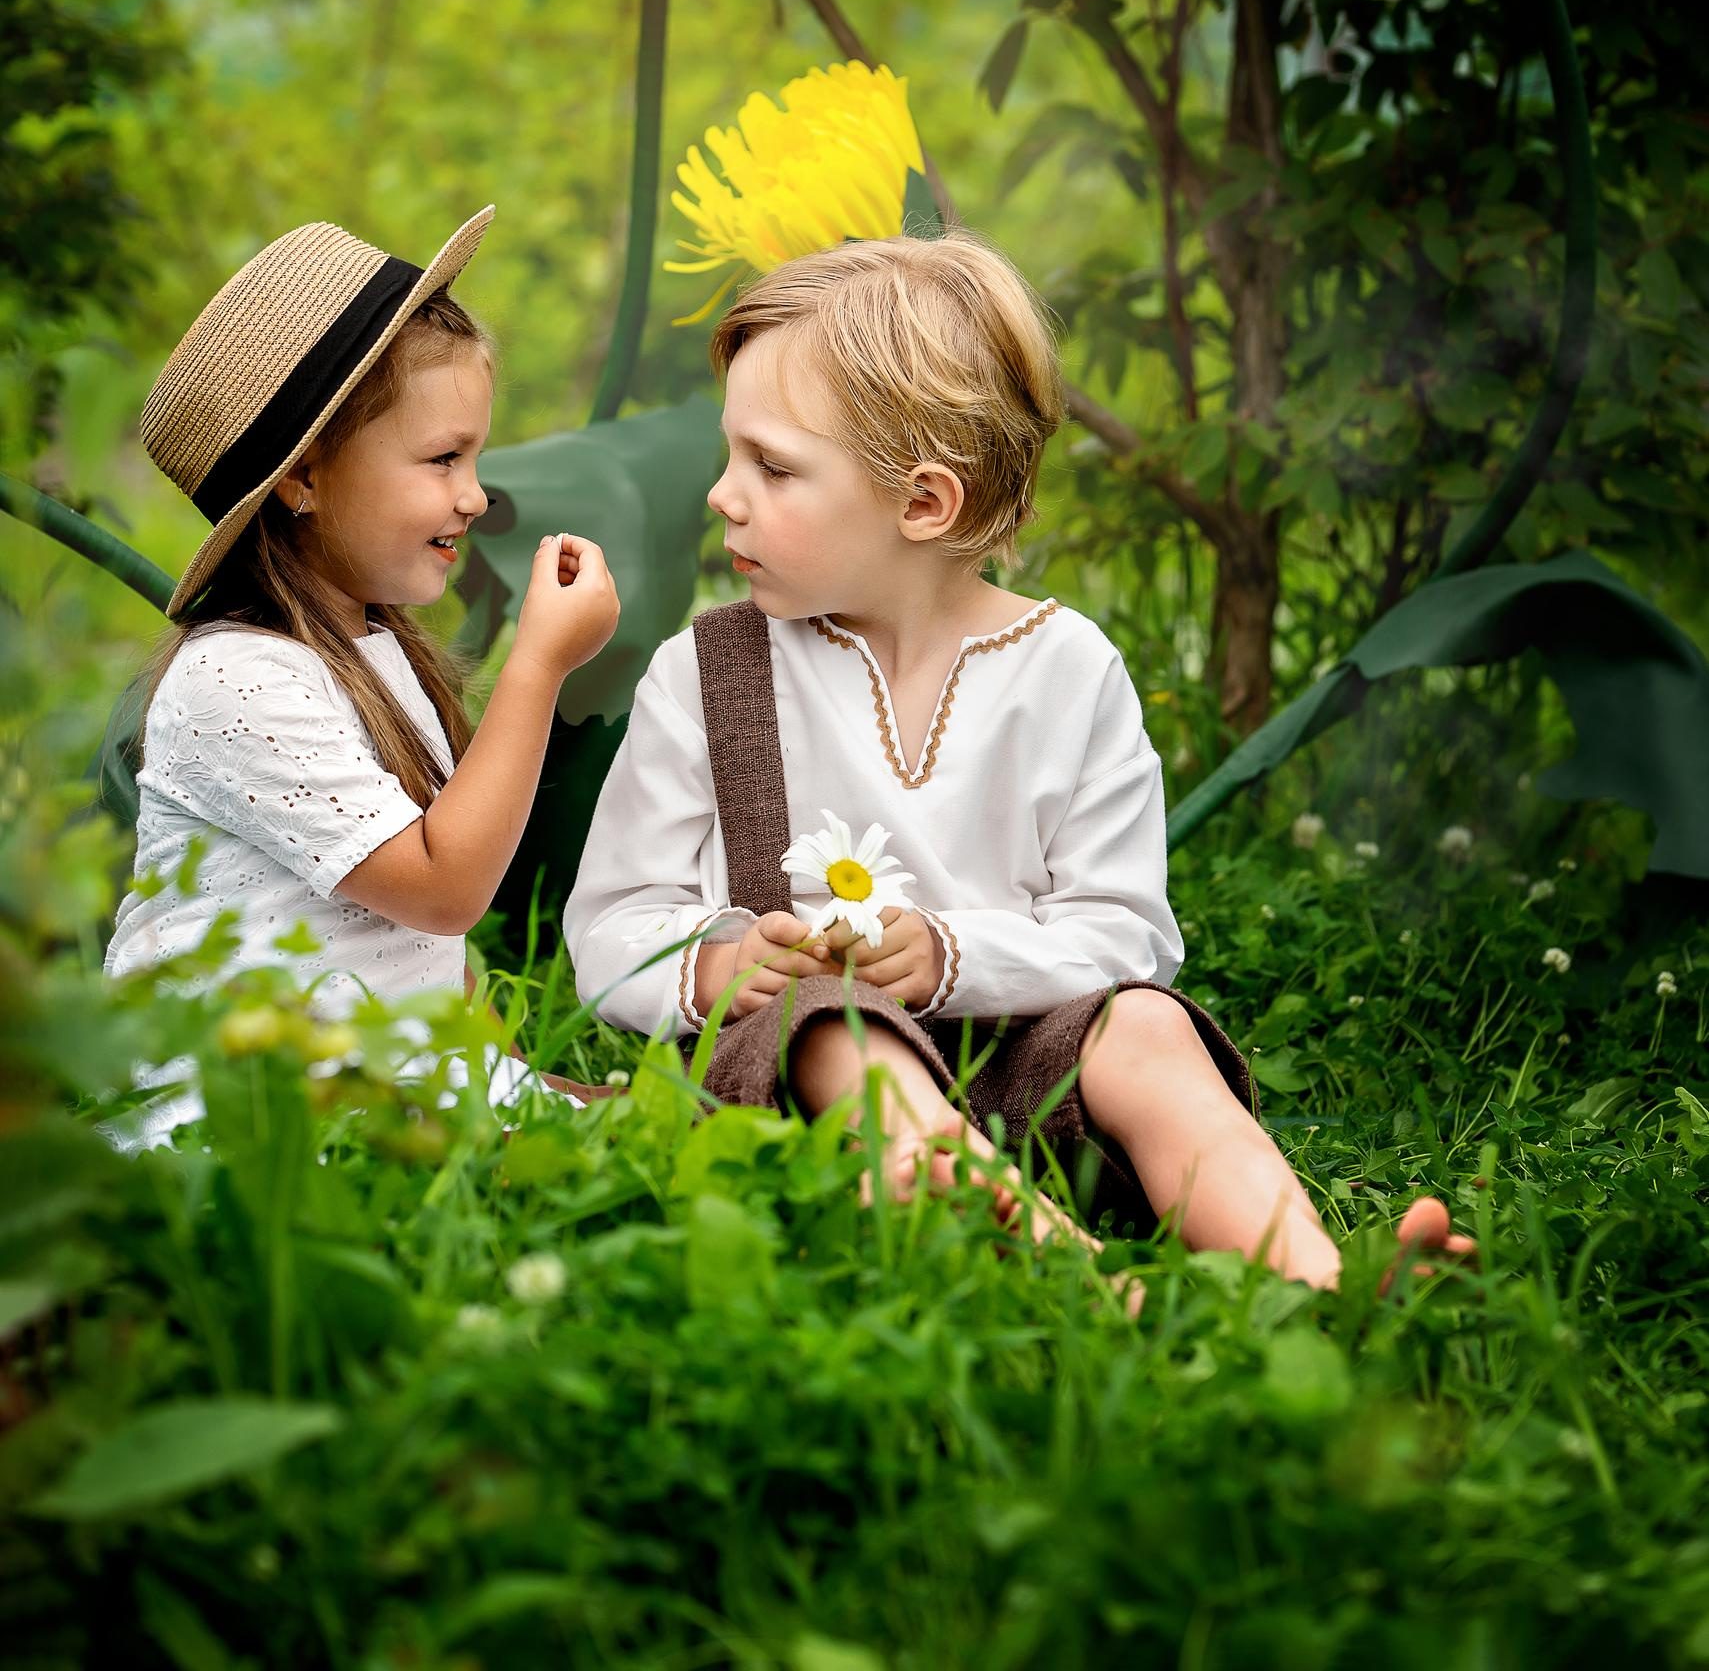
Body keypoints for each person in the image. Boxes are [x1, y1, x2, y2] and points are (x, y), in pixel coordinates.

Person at [565, 232, 1474, 1294]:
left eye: (771, 467)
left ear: (923, 503)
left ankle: (1323, 1279)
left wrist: (951, 956)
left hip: (1032, 1080)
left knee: (1145, 1026)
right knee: (838, 1022)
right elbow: (612, 923)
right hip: (801, 1086)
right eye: (732, 456)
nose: (724, 494)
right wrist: (714, 969)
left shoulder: (1068, 672)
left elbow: (1124, 933)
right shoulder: (708, 675)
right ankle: (1076, 1279)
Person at [105, 207, 619, 1146]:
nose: (474, 495)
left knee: (654, 1126)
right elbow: (442, 889)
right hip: (254, 1107)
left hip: (386, 1072)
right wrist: (539, 663)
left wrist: (520, 1079)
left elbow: (426, 949)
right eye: (442, 459)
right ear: (303, 480)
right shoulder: (235, 681)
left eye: (474, 457)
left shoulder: (378, 649)